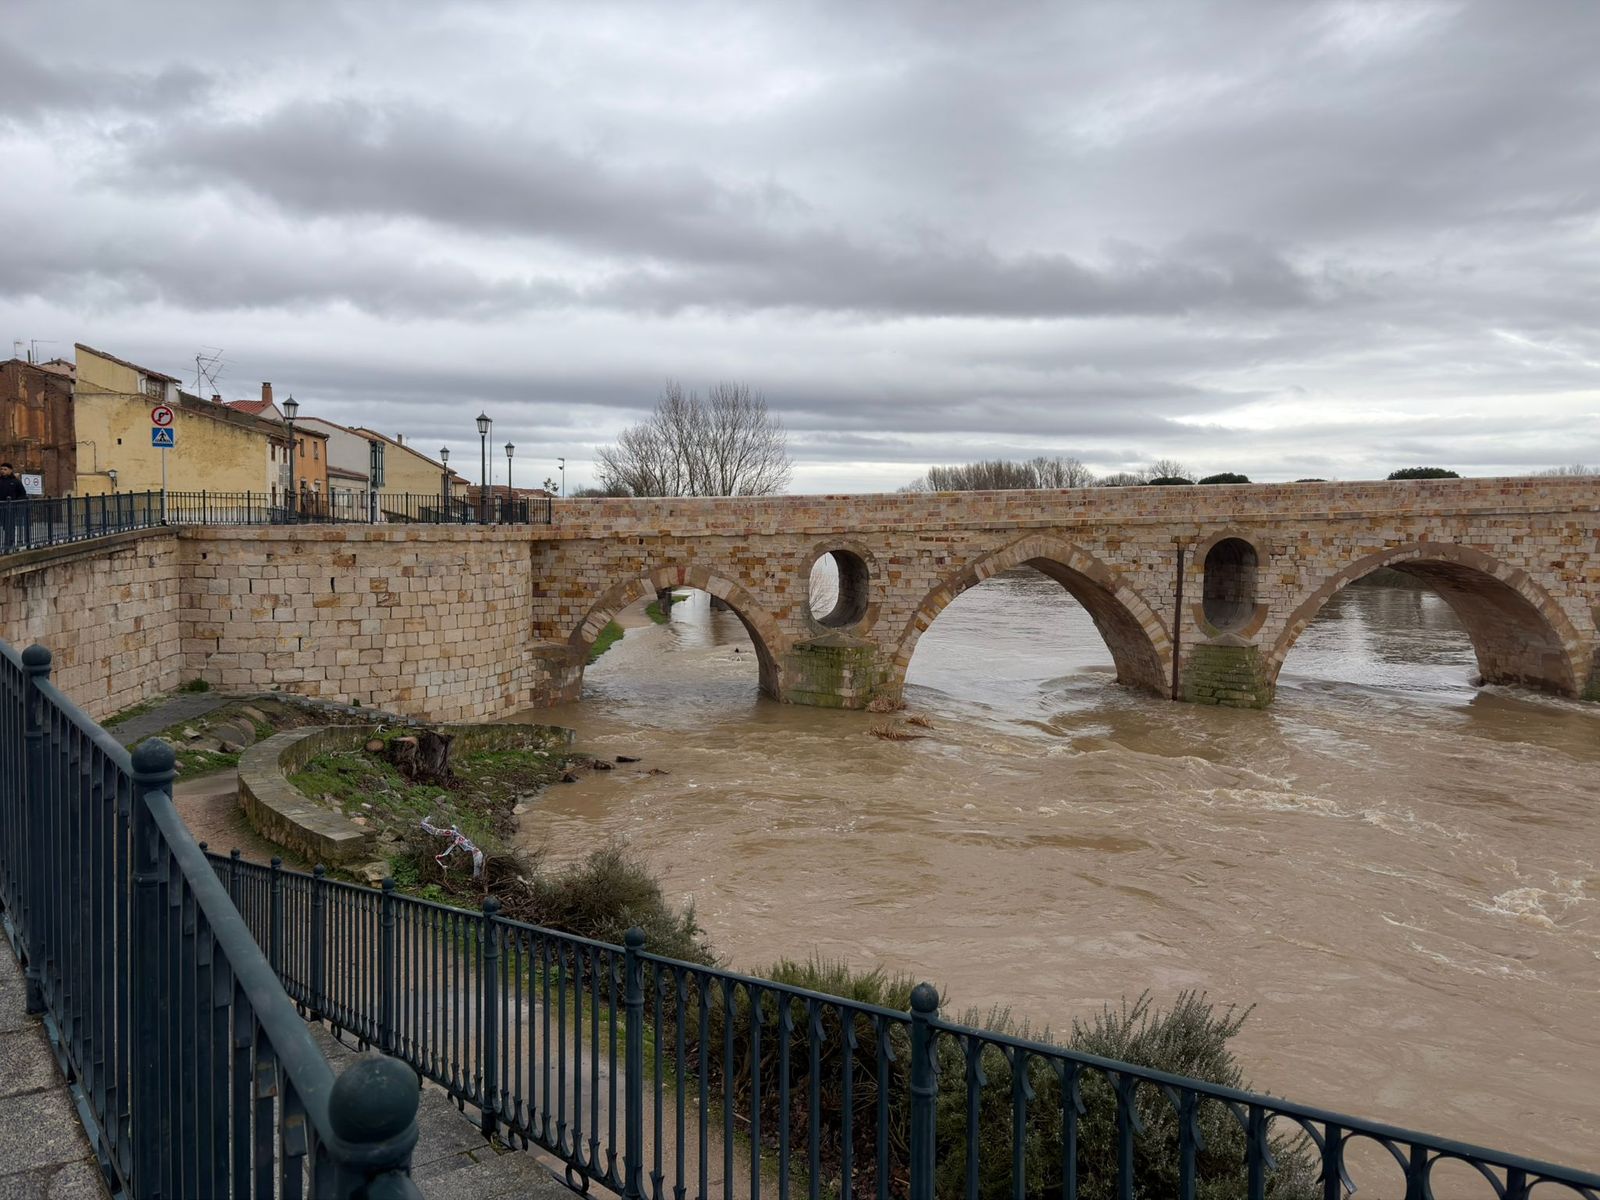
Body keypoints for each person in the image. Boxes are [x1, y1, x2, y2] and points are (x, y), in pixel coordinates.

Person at [0, 463, 28, 550]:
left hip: (10, 508)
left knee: (9, 527)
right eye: (1, 469)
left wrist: (15, 502)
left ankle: (9, 544)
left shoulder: (16, 482)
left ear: (10, 470)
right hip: (0, 507)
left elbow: (23, 494)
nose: (2, 471)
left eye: (5, 469)